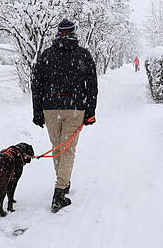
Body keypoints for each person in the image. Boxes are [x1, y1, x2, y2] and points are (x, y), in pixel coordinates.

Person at [31, 18, 98, 213]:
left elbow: (37, 85)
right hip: (74, 108)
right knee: (67, 149)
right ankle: (60, 191)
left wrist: (37, 111)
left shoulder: (46, 55)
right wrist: (90, 111)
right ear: (74, 33)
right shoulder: (83, 55)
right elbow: (92, 85)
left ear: (58, 34)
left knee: (57, 147)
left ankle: (63, 182)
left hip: (50, 107)